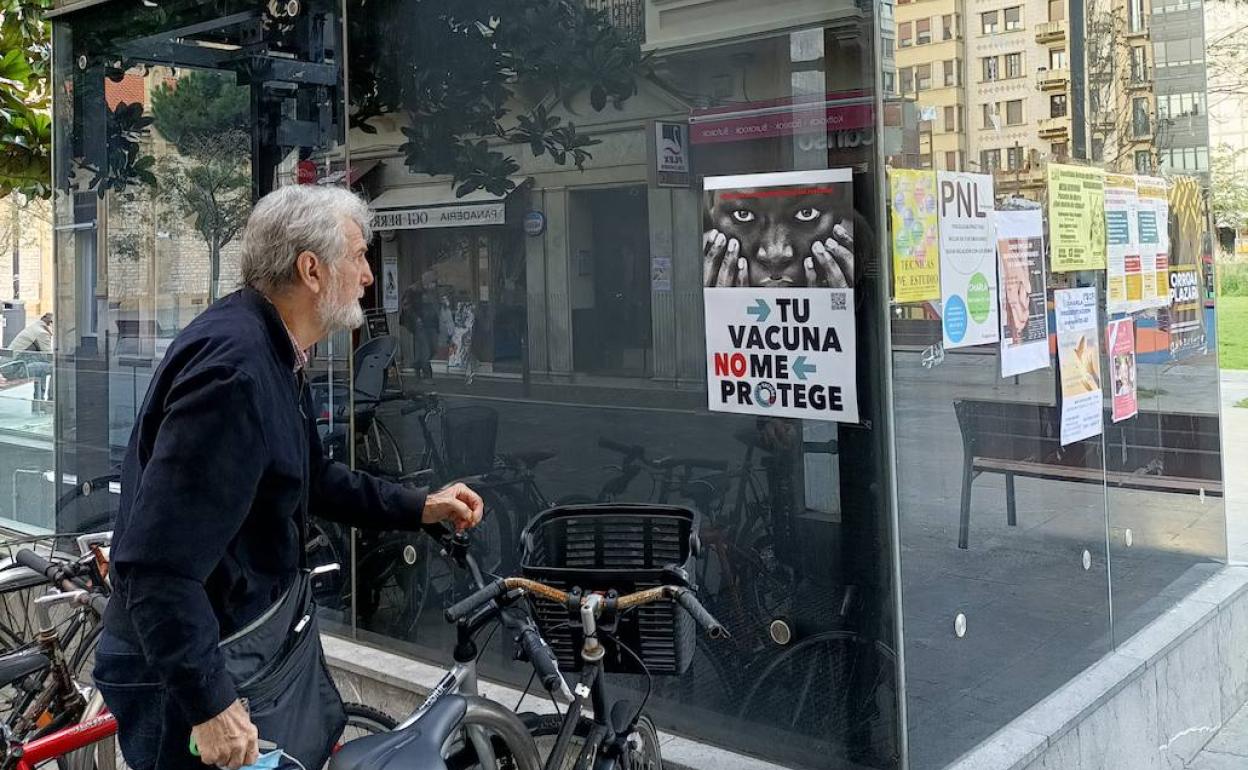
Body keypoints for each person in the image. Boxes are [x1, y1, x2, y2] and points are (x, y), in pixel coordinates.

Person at [94, 185, 485, 770]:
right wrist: (210, 703)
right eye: (357, 256)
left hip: (243, 645)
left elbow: (310, 476)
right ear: (311, 270)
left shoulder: (271, 348)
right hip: (193, 672)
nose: (367, 276)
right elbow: (156, 567)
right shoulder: (235, 375)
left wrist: (417, 507)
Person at [9, 313, 52, 410]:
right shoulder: (42, 332)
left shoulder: (34, 327)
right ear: (50, 324)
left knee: (43, 367)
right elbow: (49, 356)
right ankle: (51, 401)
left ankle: (39, 402)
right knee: (55, 367)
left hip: (11, 366)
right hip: (16, 369)